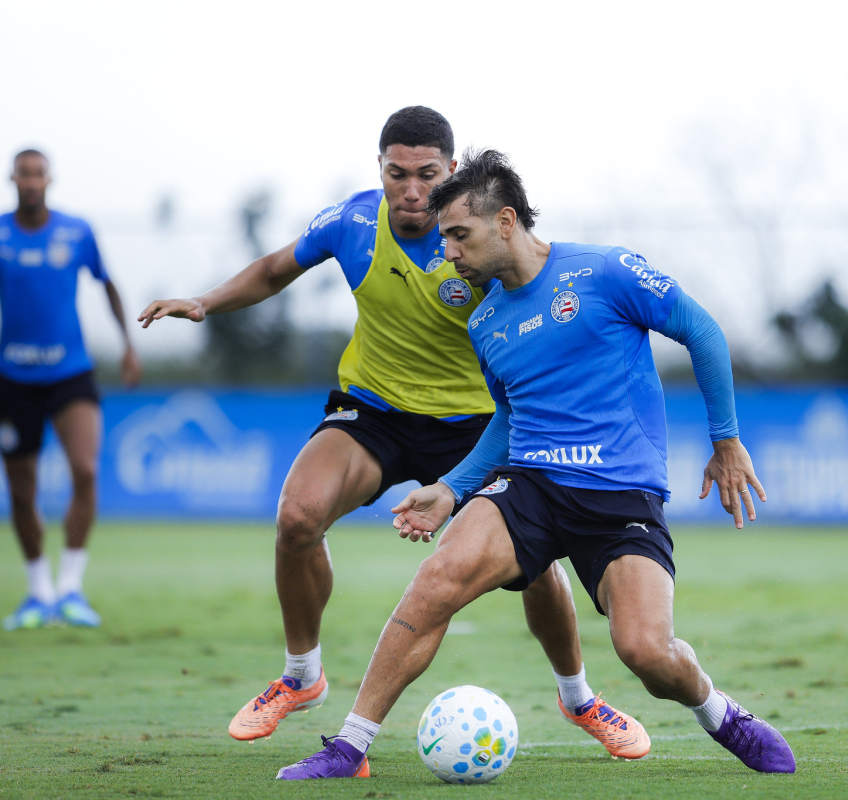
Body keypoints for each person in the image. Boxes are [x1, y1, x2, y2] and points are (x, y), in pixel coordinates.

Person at [138, 108, 646, 759]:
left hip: (475, 425)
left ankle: (579, 699)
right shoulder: (352, 222)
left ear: (451, 172)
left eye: (426, 175)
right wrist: (206, 302)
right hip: (373, 410)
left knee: (535, 563)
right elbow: (274, 269)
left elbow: (543, 313)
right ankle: (301, 677)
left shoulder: (479, 240)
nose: (410, 189)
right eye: (396, 173)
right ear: (378, 169)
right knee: (296, 517)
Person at [276, 149, 795, 780]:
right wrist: (451, 488)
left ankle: (719, 713)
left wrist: (726, 439)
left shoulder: (604, 271)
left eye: (458, 236)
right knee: (437, 580)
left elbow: (701, 329)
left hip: (619, 498)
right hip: (531, 487)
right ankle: (349, 746)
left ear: (506, 221)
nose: (448, 255)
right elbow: (507, 418)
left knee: (646, 652)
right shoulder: (486, 320)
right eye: (444, 240)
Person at [1, 148, 142, 630]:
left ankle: (70, 589)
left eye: (39, 174)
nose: (32, 181)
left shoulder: (76, 231)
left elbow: (108, 284)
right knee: (21, 490)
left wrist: (127, 344)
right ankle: (38, 591)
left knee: (84, 469)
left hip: (70, 373)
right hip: (12, 379)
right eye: (25, 174)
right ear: (13, 179)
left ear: (49, 179)